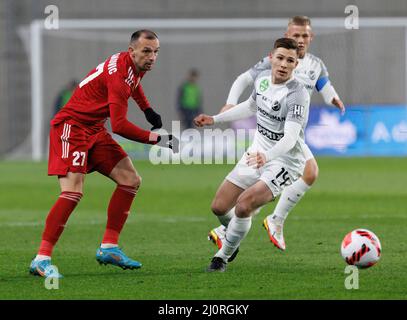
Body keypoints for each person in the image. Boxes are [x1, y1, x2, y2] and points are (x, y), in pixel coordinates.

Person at [29, 30, 175, 278]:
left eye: (156, 52)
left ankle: (109, 247)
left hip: (94, 129)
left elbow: (134, 83)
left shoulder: (129, 65)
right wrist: (157, 139)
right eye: (147, 51)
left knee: (131, 180)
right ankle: (41, 259)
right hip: (71, 127)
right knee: (73, 191)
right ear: (132, 51)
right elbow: (119, 126)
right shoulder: (119, 75)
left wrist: (147, 110)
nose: (152, 57)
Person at [208, 16, 345, 253]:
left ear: (310, 38)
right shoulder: (275, 60)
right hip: (274, 134)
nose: (300, 40)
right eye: (295, 35)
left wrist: (332, 97)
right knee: (308, 172)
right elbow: (244, 79)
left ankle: (251, 225)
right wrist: (230, 104)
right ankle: (269, 221)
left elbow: (324, 85)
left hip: (292, 132)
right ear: (287, 35)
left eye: (304, 36)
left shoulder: (316, 64)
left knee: (308, 172)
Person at [194, 38, 310, 272]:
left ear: (296, 65)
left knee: (244, 205)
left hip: (285, 162)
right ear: (271, 57)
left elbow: (289, 139)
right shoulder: (263, 79)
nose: (284, 64)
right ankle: (232, 239)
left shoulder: (297, 94)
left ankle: (222, 257)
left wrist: (267, 157)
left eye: (290, 60)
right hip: (256, 153)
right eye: (280, 58)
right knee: (219, 207)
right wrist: (214, 119)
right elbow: (250, 106)